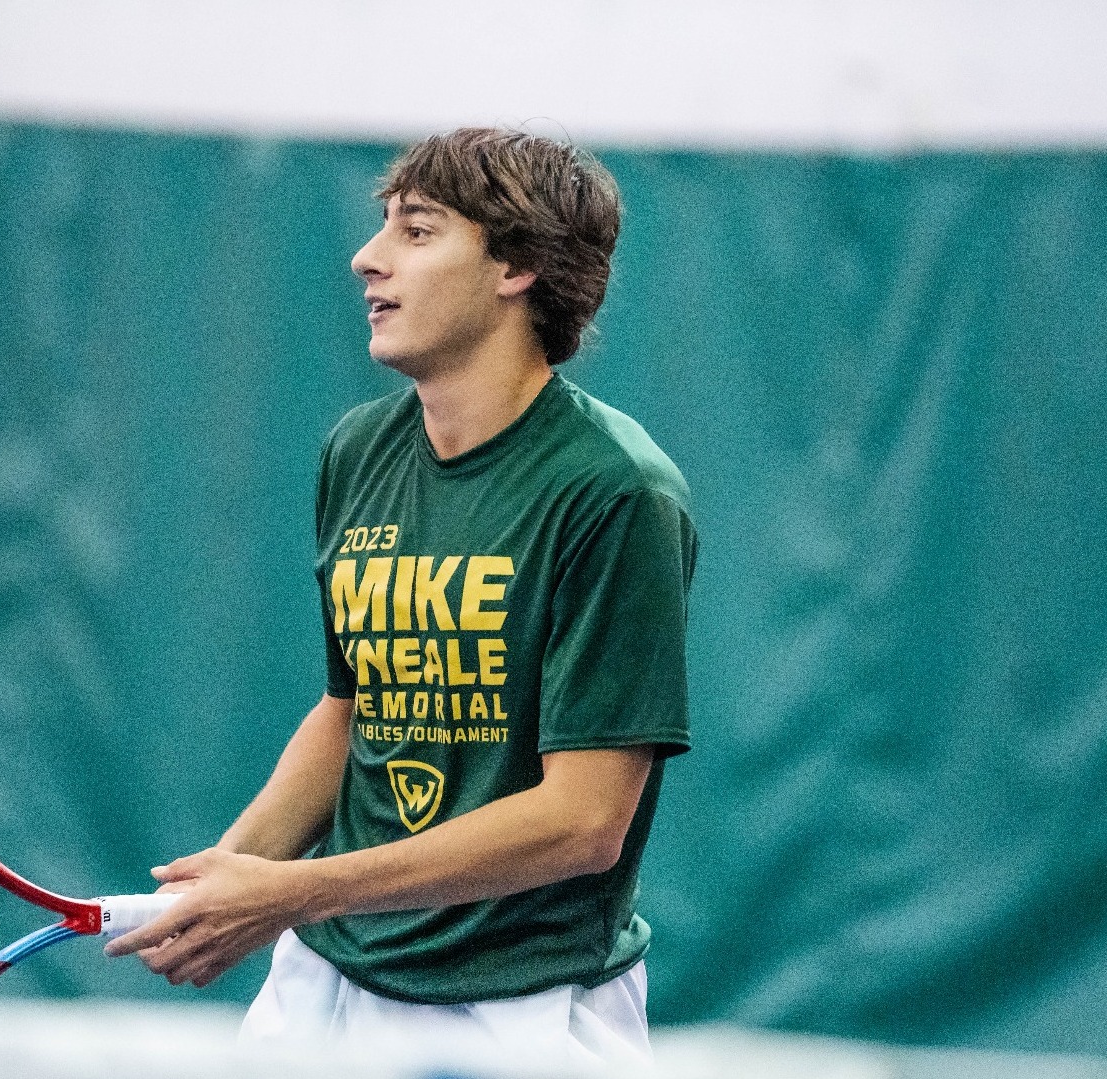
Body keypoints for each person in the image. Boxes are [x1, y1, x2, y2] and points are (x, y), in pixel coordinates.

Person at [105, 127, 697, 1069]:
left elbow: (584, 822)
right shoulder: (358, 451)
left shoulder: (616, 491)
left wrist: (293, 891)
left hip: (523, 1007)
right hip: (324, 980)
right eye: (382, 226)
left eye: (415, 232)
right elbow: (352, 714)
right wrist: (228, 877)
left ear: (519, 265)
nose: (366, 257)